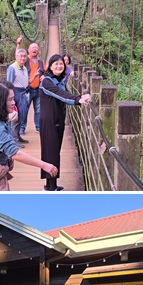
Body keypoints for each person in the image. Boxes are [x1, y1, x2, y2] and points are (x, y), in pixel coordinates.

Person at [0, 81, 58, 191]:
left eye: (13, 98)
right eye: (9, 100)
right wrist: (44, 165)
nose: (14, 102)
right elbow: (16, 154)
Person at [39, 55, 91, 191]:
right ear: (50, 66)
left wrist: (80, 98)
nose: (59, 66)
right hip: (49, 121)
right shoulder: (47, 82)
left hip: (58, 120)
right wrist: (77, 99)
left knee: (54, 152)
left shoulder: (59, 80)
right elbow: (60, 95)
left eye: (61, 64)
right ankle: (51, 188)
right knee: (50, 152)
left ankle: (50, 185)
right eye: (55, 64)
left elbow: (65, 94)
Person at [16, 36, 44, 137]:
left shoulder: (41, 62)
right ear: (28, 50)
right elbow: (18, 56)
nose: (34, 49)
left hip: (38, 89)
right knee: (24, 109)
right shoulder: (25, 60)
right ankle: (22, 128)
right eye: (32, 48)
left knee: (38, 109)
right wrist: (18, 44)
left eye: (36, 48)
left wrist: (44, 75)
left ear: (38, 50)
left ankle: (38, 127)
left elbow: (45, 72)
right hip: (27, 90)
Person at [5, 48, 30, 145]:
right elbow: (9, 83)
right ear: (16, 57)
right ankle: (13, 140)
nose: (23, 58)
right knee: (16, 116)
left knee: (22, 115)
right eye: (21, 56)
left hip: (24, 93)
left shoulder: (24, 68)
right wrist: (10, 98)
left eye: (25, 56)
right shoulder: (12, 68)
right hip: (16, 94)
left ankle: (18, 136)